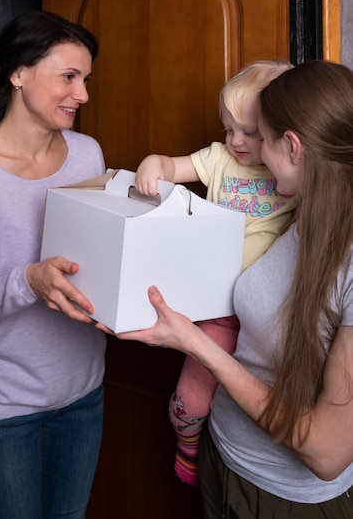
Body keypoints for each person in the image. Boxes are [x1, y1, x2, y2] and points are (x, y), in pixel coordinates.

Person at [97, 59, 353, 518]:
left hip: (282, 496)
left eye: (259, 137)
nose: (244, 150)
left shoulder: (321, 232)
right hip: (225, 453)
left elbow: (329, 454)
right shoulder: (306, 213)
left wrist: (193, 342)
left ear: (292, 146)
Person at [0, 10, 107, 519]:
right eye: (69, 77)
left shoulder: (88, 155)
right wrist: (29, 280)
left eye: (86, 79)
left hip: (83, 394)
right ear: (18, 72)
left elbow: (95, 261)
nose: (83, 95)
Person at [135, 60, 298, 485]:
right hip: (217, 306)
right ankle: (186, 436)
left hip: (269, 313)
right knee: (193, 400)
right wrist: (155, 164)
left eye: (250, 132)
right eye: (229, 128)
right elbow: (173, 168)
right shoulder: (221, 159)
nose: (236, 141)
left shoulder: (295, 176)